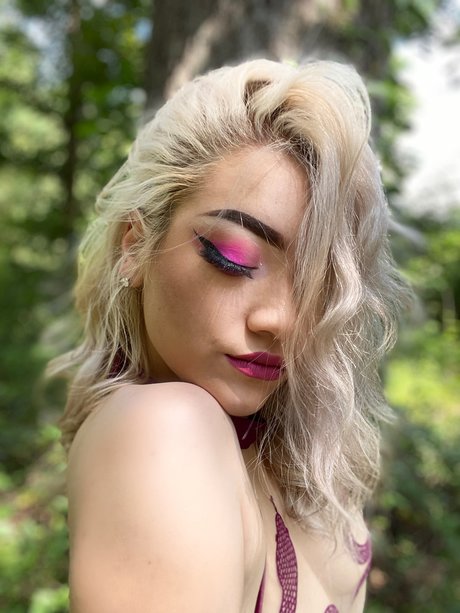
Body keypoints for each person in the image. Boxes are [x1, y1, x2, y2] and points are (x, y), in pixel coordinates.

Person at [51, 58, 409, 612]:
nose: (283, 321)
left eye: (319, 285)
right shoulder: (165, 428)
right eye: (234, 258)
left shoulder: (302, 462)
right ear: (134, 245)